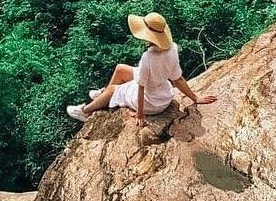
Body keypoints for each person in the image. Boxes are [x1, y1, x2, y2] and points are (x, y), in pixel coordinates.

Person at [66, 11, 218, 125]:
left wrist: (140, 114)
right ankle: (103, 95)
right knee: (120, 69)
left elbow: (141, 88)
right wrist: (195, 98)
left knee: (113, 89)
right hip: (163, 95)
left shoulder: (148, 58)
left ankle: (85, 111)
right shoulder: (173, 48)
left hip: (150, 103)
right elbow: (177, 79)